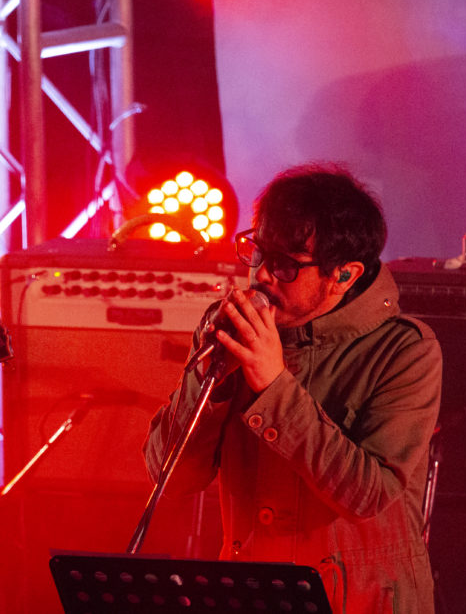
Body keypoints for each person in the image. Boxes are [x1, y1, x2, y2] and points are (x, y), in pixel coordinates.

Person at [144, 164, 441, 613]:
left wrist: (272, 384)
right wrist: (212, 387)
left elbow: (368, 494)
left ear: (343, 275)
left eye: (285, 265)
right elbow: (173, 478)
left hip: (358, 601)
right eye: (258, 253)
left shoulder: (405, 351)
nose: (261, 275)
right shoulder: (230, 325)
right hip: (251, 591)